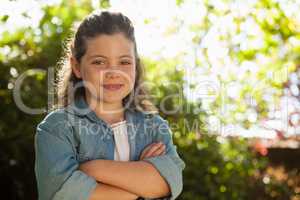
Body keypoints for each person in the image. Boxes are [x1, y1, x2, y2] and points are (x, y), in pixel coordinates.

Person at [34, 10, 185, 200]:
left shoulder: (154, 127)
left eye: (124, 62)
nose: (114, 72)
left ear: (135, 67)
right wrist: (140, 179)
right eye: (99, 62)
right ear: (77, 67)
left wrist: (94, 169)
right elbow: (65, 194)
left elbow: (171, 183)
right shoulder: (57, 128)